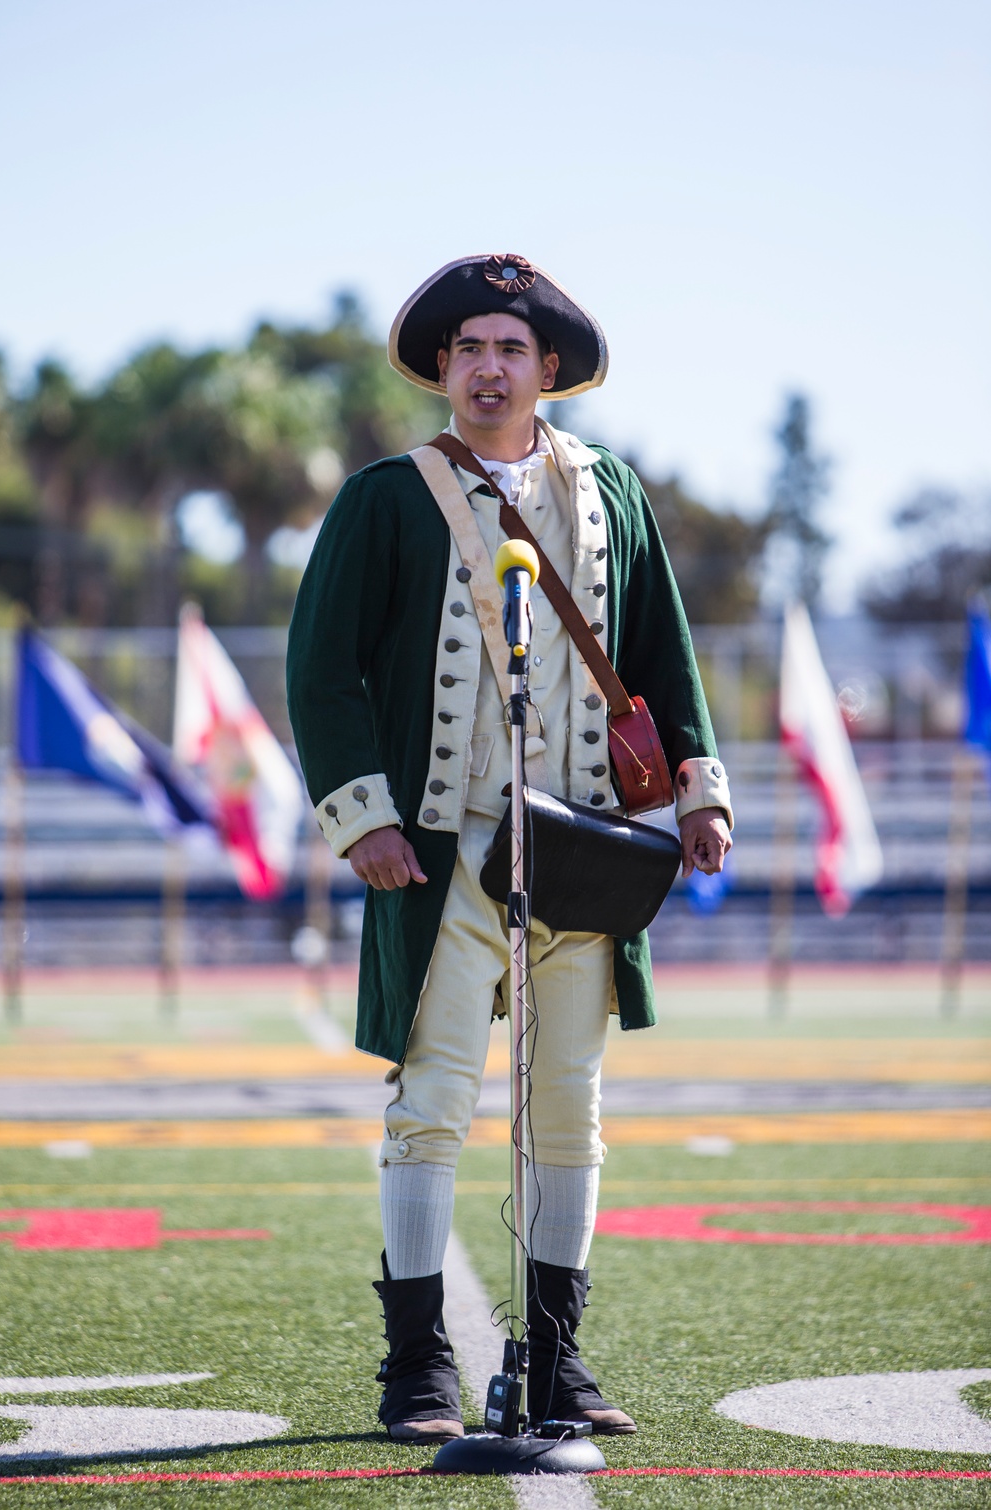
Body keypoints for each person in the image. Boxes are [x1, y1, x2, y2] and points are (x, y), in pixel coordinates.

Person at [287, 254, 733, 1444]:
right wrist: (362, 815)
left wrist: (698, 789)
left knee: (569, 1108)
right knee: (430, 1105)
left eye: (511, 351)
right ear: (445, 369)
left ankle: (556, 1359)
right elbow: (320, 671)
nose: (489, 369)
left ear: (549, 372)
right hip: (439, 849)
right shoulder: (386, 496)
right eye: (469, 349)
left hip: (581, 843)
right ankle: (417, 1362)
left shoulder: (613, 492)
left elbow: (660, 649)